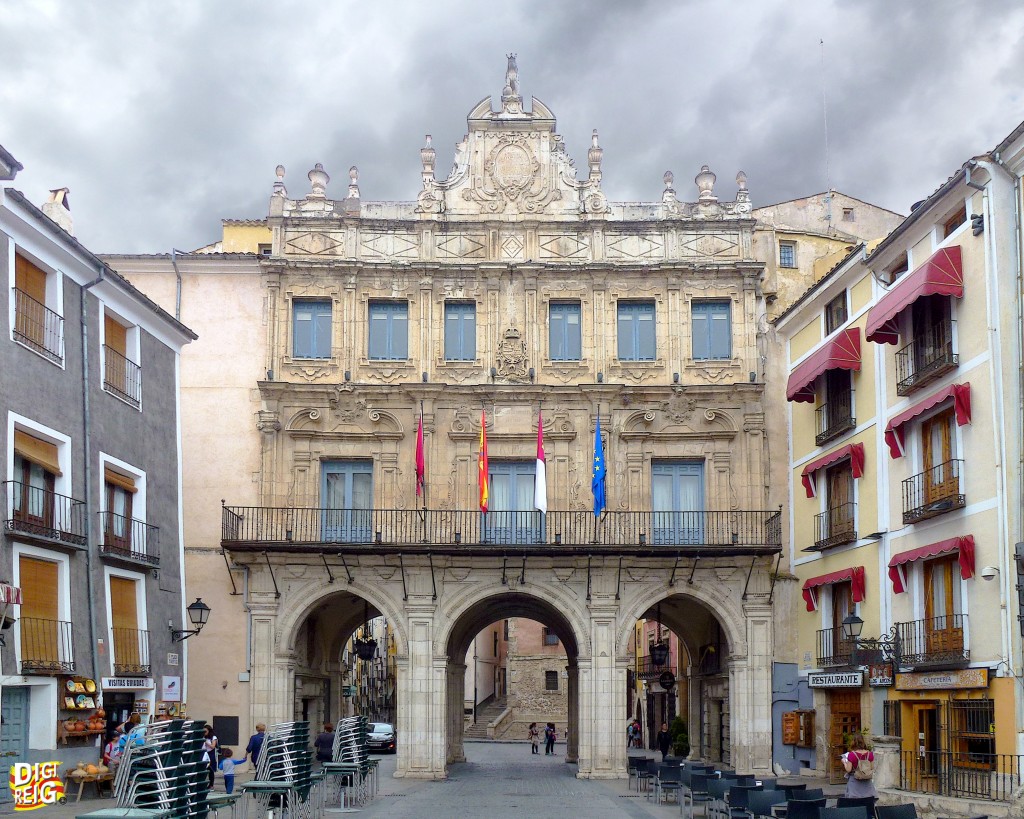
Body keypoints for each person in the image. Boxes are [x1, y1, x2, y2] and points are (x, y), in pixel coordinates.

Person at [842, 733, 878, 799]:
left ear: (853, 742)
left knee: (855, 802)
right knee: (867, 801)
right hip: (867, 783)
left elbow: (848, 769)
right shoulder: (870, 754)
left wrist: (844, 762)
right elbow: (872, 767)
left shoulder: (852, 755)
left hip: (855, 782)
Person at [202, 724, 219, 790]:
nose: (204, 733)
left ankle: (211, 784)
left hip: (210, 753)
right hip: (204, 753)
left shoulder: (213, 737)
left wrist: (206, 742)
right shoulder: (203, 737)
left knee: (210, 770)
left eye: (205, 731)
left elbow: (212, 746)